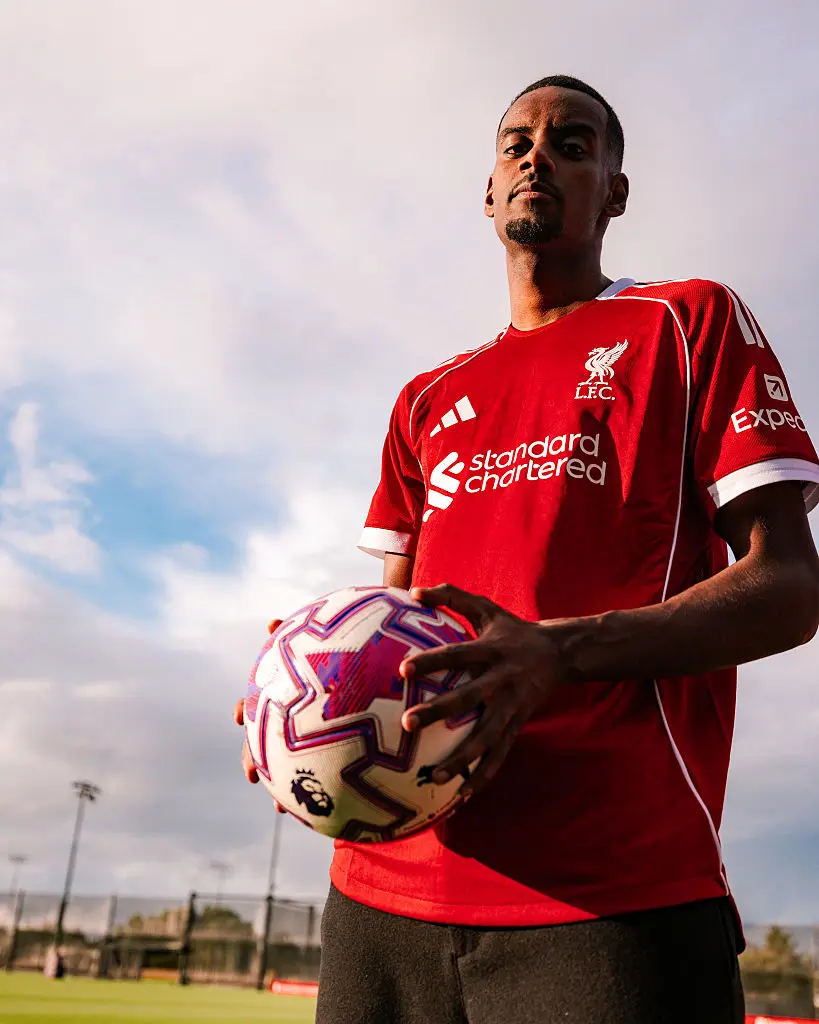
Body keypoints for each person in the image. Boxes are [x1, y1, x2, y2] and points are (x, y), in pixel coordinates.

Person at [234, 75, 819, 1023]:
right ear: (488, 191)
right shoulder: (426, 397)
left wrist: (556, 651)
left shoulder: (686, 322)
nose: (536, 155)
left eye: (572, 144)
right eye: (516, 143)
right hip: (382, 896)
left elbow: (789, 588)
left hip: (610, 897)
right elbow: (395, 622)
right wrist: (305, 705)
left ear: (613, 193)